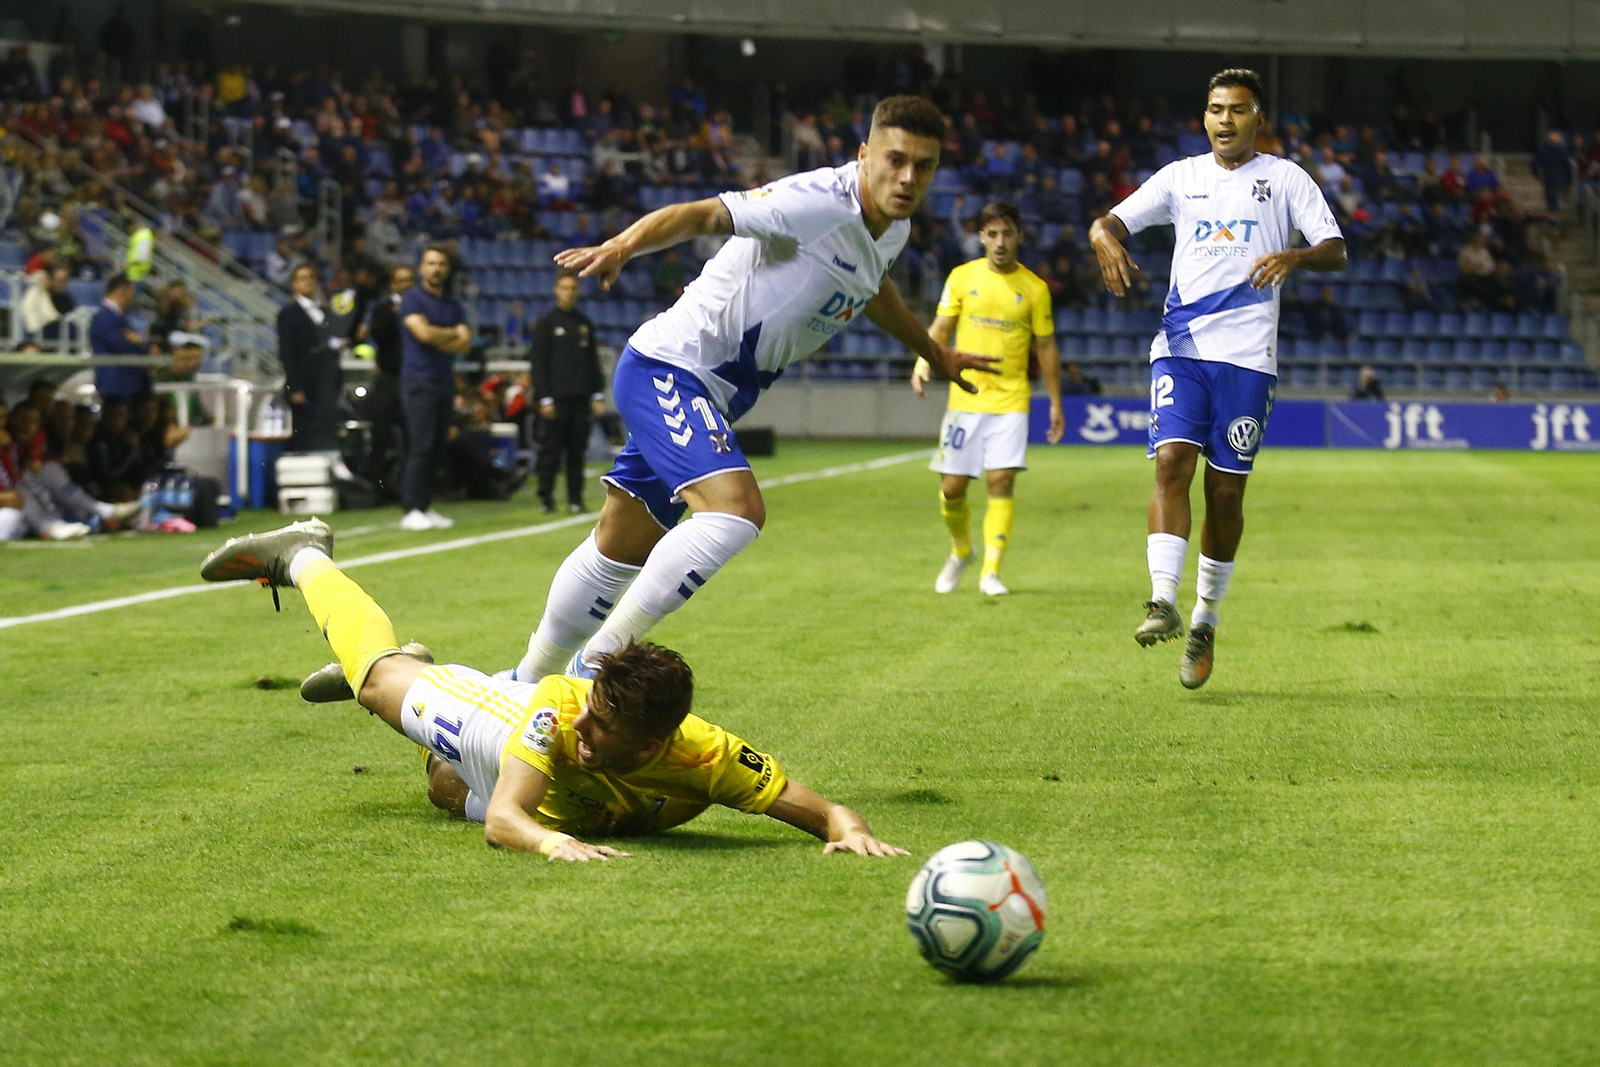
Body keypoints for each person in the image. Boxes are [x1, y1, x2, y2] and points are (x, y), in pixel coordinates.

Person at [508, 95, 992, 684]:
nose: (909, 177)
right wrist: (624, 245)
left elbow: (874, 286)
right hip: (669, 368)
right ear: (865, 155)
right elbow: (703, 214)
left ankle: (521, 683)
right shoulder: (813, 201)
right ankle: (592, 670)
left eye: (924, 165)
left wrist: (933, 352)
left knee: (617, 546)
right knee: (736, 513)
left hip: (707, 395)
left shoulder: (893, 229)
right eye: (895, 159)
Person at [197, 519, 910, 862]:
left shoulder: (710, 758)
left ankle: (426, 663)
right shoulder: (559, 710)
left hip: (563, 797)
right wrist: (548, 844)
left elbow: (823, 812)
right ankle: (304, 556)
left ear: (656, 744)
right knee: (377, 679)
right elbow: (506, 820)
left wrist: (849, 832)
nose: (586, 733)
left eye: (605, 732)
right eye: (591, 715)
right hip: (502, 726)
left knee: (443, 786)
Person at [1089, 68, 1346, 690]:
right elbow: (1112, 221)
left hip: (1249, 359)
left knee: (1225, 493)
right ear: (1203, 117)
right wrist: (1102, 237)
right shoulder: (1181, 178)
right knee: (1171, 461)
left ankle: (1204, 616)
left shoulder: (1285, 179)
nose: (1224, 120)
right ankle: (1161, 600)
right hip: (1180, 349)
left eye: (1236, 110)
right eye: (1214, 109)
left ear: (1259, 119)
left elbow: (1335, 246)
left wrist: (1295, 254)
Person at [909, 201, 1063, 597]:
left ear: (1019, 237)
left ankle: (991, 572)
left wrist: (1057, 403)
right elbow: (941, 327)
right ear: (981, 237)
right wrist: (924, 362)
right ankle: (962, 552)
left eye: (1007, 234)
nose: (999, 242)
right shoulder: (962, 278)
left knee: (1001, 479)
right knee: (952, 488)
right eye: (992, 234)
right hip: (966, 399)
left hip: (1011, 399)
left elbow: (1045, 347)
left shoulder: (1035, 289)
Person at [398, 246, 472, 531]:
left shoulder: (453, 305)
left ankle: (425, 505)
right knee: (421, 444)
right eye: (430, 263)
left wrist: (438, 336)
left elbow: (464, 344)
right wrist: (451, 333)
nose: (436, 268)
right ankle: (411, 507)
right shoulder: (412, 299)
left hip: (443, 381)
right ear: (421, 268)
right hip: (418, 381)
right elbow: (423, 334)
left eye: (441, 263)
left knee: (437, 447)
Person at [529, 269, 605, 514]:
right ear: (556, 290)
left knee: (577, 452)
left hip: (580, 399)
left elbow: (593, 362)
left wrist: (598, 395)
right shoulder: (546, 324)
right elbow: (538, 363)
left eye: (573, 288)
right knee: (551, 451)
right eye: (564, 288)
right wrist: (545, 397)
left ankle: (575, 498)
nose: (568, 293)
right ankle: (546, 498)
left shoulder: (584, 324)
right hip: (556, 399)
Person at [276, 264, 343, 453]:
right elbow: (287, 352)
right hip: (305, 384)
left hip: (327, 382)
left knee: (327, 432)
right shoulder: (289, 313)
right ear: (294, 284)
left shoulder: (324, 311)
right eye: (302, 278)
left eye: (311, 277)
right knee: (305, 434)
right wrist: (294, 387)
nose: (308, 281)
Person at [362, 264, 413, 497]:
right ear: (393, 284)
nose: (406, 285)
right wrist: (395, 316)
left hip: (413, 378)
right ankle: (376, 488)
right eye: (401, 280)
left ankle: (412, 487)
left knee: (414, 436)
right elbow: (378, 334)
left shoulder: (420, 307)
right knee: (380, 436)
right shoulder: (384, 308)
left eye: (409, 280)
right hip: (388, 379)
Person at [89, 274, 156, 405]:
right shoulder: (104, 317)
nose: (133, 298)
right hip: (117, 386)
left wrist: (140, 341)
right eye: (131, 293)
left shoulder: (117, 318)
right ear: (122, 291)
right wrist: (142, 343)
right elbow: (123, 345)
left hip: (128, 385)